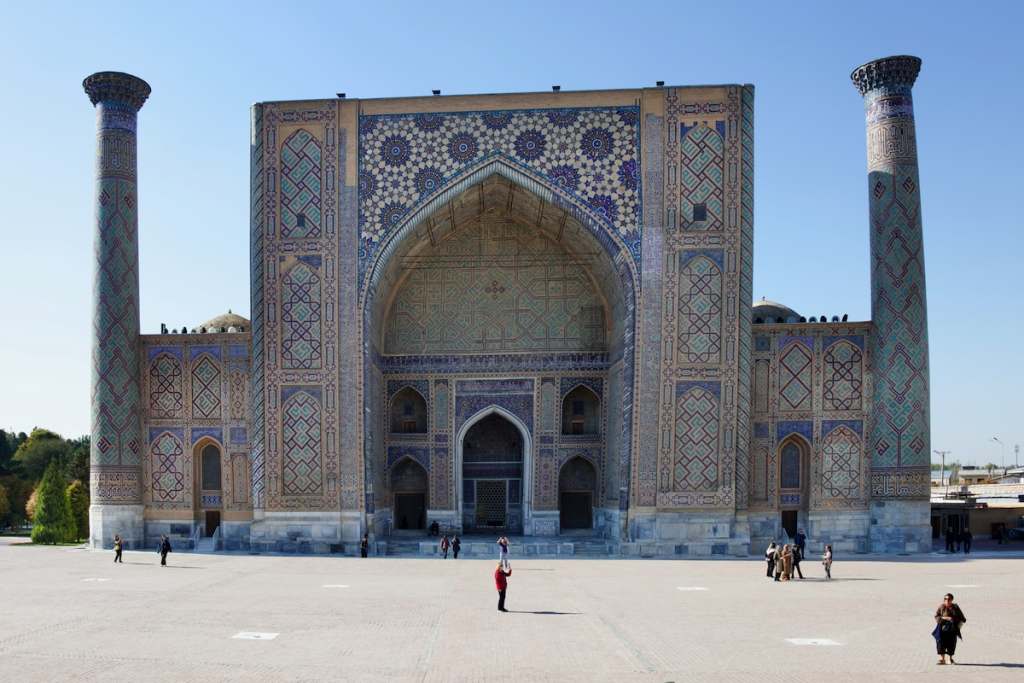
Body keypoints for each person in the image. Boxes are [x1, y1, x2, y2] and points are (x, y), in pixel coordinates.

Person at [933, 593, 967, 665]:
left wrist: (954, 620)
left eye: (949, 599)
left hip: (952, 629)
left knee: (951, 643)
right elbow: (936, 616)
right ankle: (942, 659)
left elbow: (963, 618)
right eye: (945, 599)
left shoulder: (955, 607)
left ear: (952, 600)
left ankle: (950, 659)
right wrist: (944, 618)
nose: (947, 600)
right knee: (940, 643)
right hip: (941, 629)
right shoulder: (941, 607)